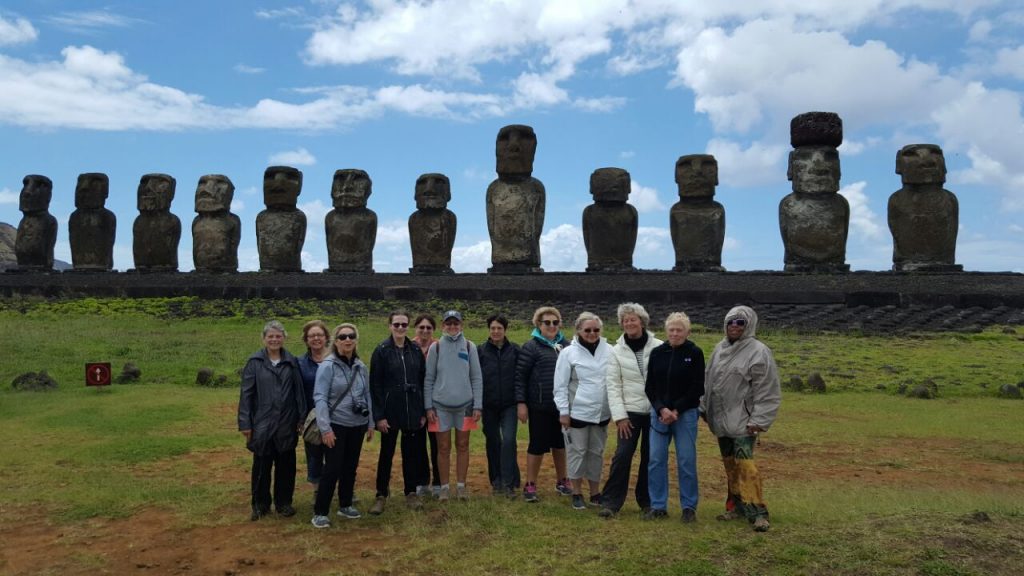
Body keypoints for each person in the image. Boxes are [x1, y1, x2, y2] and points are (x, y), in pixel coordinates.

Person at [702, 305, 781, 532]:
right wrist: (704, 407)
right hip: (720, 420)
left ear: (749, 325)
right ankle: (734, 506)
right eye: (731, 322)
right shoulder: (719, 349)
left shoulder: (759, 352)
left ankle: (758, 512)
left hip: (745, 422)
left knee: (746, 466)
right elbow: (709, 382)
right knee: (730, 466)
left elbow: (767, 390)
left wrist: (760, 419)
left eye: (740, 323)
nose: (734, 326)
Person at [598, 303, 663, 518]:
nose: (629, 323)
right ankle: (610, 502)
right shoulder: (616, 352)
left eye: (632, 319)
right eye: (625, 320)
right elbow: (613, 385)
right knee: (623, 455)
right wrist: (620, 417)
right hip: (630, 413)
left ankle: (647, 501)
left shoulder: (659, 347)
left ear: (642, 321)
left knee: (650, 457)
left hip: (655, 412)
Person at [238, 320, 305, 520]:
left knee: (286, 466)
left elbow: (299, 393)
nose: (274, 340)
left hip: (286, 422)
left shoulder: (291, 362)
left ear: (284, 338)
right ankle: (260, 504)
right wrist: (245, 423)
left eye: (278, 336)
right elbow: (246, 395)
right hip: (262, 424)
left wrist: (301, 418)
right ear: (264, 338)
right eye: (271, 336)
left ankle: (284, 502)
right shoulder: (255, 362)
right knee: (261, 466)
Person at [310, 323, 374, 528]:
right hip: (336, 423)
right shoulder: (327, 366)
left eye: (351, 336)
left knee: (350, 466)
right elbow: (319, 397)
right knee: (333, 468)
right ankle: (320, 511)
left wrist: (370, 421)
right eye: (343, 337)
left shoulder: (360, 366)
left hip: (357, 424)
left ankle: (345, 504)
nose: (347, 340)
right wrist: (325, 428)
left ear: (356, 340)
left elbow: (367, 395)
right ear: (335, 341)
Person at [644, 312, 704, 523]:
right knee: (656, 459)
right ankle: (658, 505)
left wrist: (676, 409)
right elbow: (650, 386)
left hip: (685, 413)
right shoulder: (657, 353)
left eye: (680, 330)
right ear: (666, 331)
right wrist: (661, 409)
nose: (675, 333)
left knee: (686, 460)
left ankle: (689, 506)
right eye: (672, 329)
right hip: (659, 414)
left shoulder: (694, 353)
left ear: (687, 332)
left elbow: (697, 387)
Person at [369, 311, 428, 514]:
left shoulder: (415, 350)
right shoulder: (381, 351)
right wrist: (379, 416)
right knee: (386, 453)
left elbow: (421, 382)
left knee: (410, 454)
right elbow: (375, 385)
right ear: (390, 326)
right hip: (390, 410)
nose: (400, 328)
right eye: (397, 324)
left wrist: (421, 411)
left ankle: (410, 492)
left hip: (411, 408)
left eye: (404, 325)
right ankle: (381, 494)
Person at [554, 312, 612, 510]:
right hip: (576, 413)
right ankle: (577, 492)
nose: (592, 333)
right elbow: (560, 386)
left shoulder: (609, 350)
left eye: (596, 330)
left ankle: (595, 492)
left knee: (596, 452)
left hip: (602, 413)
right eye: (587, 330)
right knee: (577, 452)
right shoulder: (568, 353)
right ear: (578, 330)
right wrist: (563, 411)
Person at [515, 306, 573, 502]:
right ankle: (530, 483)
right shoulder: (531, 347)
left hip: (562, 407)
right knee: (537, 446)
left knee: (561, 445)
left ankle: (563, 480)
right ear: (538, 325)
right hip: (539, 405)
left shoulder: (568, 346)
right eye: (546, 322)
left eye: (555, 322)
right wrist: (521, 403)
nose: (551, 326)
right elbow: (520, 377)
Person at [424, 310, 483, 501]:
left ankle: (461, 486)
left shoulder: (469, 346)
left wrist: (478, 405)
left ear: (461, 325)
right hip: (440, 407)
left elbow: (476, 377)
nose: (452, 327)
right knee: (443, 447)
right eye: (448, 324)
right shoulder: (436, 348)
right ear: (443, 326)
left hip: (465, 406)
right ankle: (444, 487)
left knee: (463, 445)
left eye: (455, 323)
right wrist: (428, 407)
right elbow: (429, 378)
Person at [478, 314, 522, 497]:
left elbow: (520, 378)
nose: (496, 332)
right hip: (488, 405)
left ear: (505, 330)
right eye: (493, 328)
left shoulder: (515, 350)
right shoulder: (480, 351)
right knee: (493, 441)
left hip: (509, 405)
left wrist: (521, 401)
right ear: (489, 330)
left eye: (499, 328)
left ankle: (509, 482)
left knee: (509, 441)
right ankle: (496, 480)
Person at [297, 320, 331, 503]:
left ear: (326, 337)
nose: (316, 338)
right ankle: (318, 490)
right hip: (312, 416)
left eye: (320, 335)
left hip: (336, 414)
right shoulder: (300, 363)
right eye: (312, 336)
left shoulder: (337, 358)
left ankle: (344, 487)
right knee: (314, 454)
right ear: (306, 340)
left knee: (338, 454)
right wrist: (300, 418)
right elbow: (298, 392)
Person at [412, 313, 442, 497]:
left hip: (436, 403)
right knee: (418, 444)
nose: (425, 331)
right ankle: (422, 482)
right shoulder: (409, 347)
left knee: (437, 444)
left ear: (433, 330)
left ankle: (438, 482)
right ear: (416, 329)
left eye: (428, 328)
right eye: (421, 327)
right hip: (416, 402)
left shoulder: (439, 347)